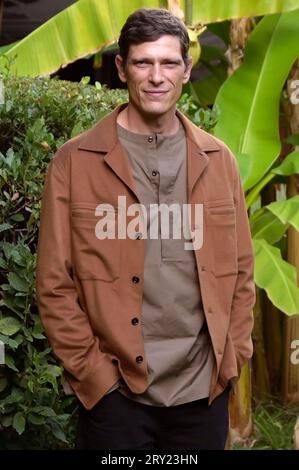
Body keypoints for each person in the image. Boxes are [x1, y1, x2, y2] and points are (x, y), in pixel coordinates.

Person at [36, 8, 256, 450]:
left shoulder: (219, 160)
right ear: (122, 69)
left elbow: (241, 271)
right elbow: (54, 285)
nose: (157, 76)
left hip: (203, 393)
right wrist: (96, 378)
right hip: (117, 398)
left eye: (169, 63)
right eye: (143, 62)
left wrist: (231, 359)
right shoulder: (74, 163)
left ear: (187, 70)